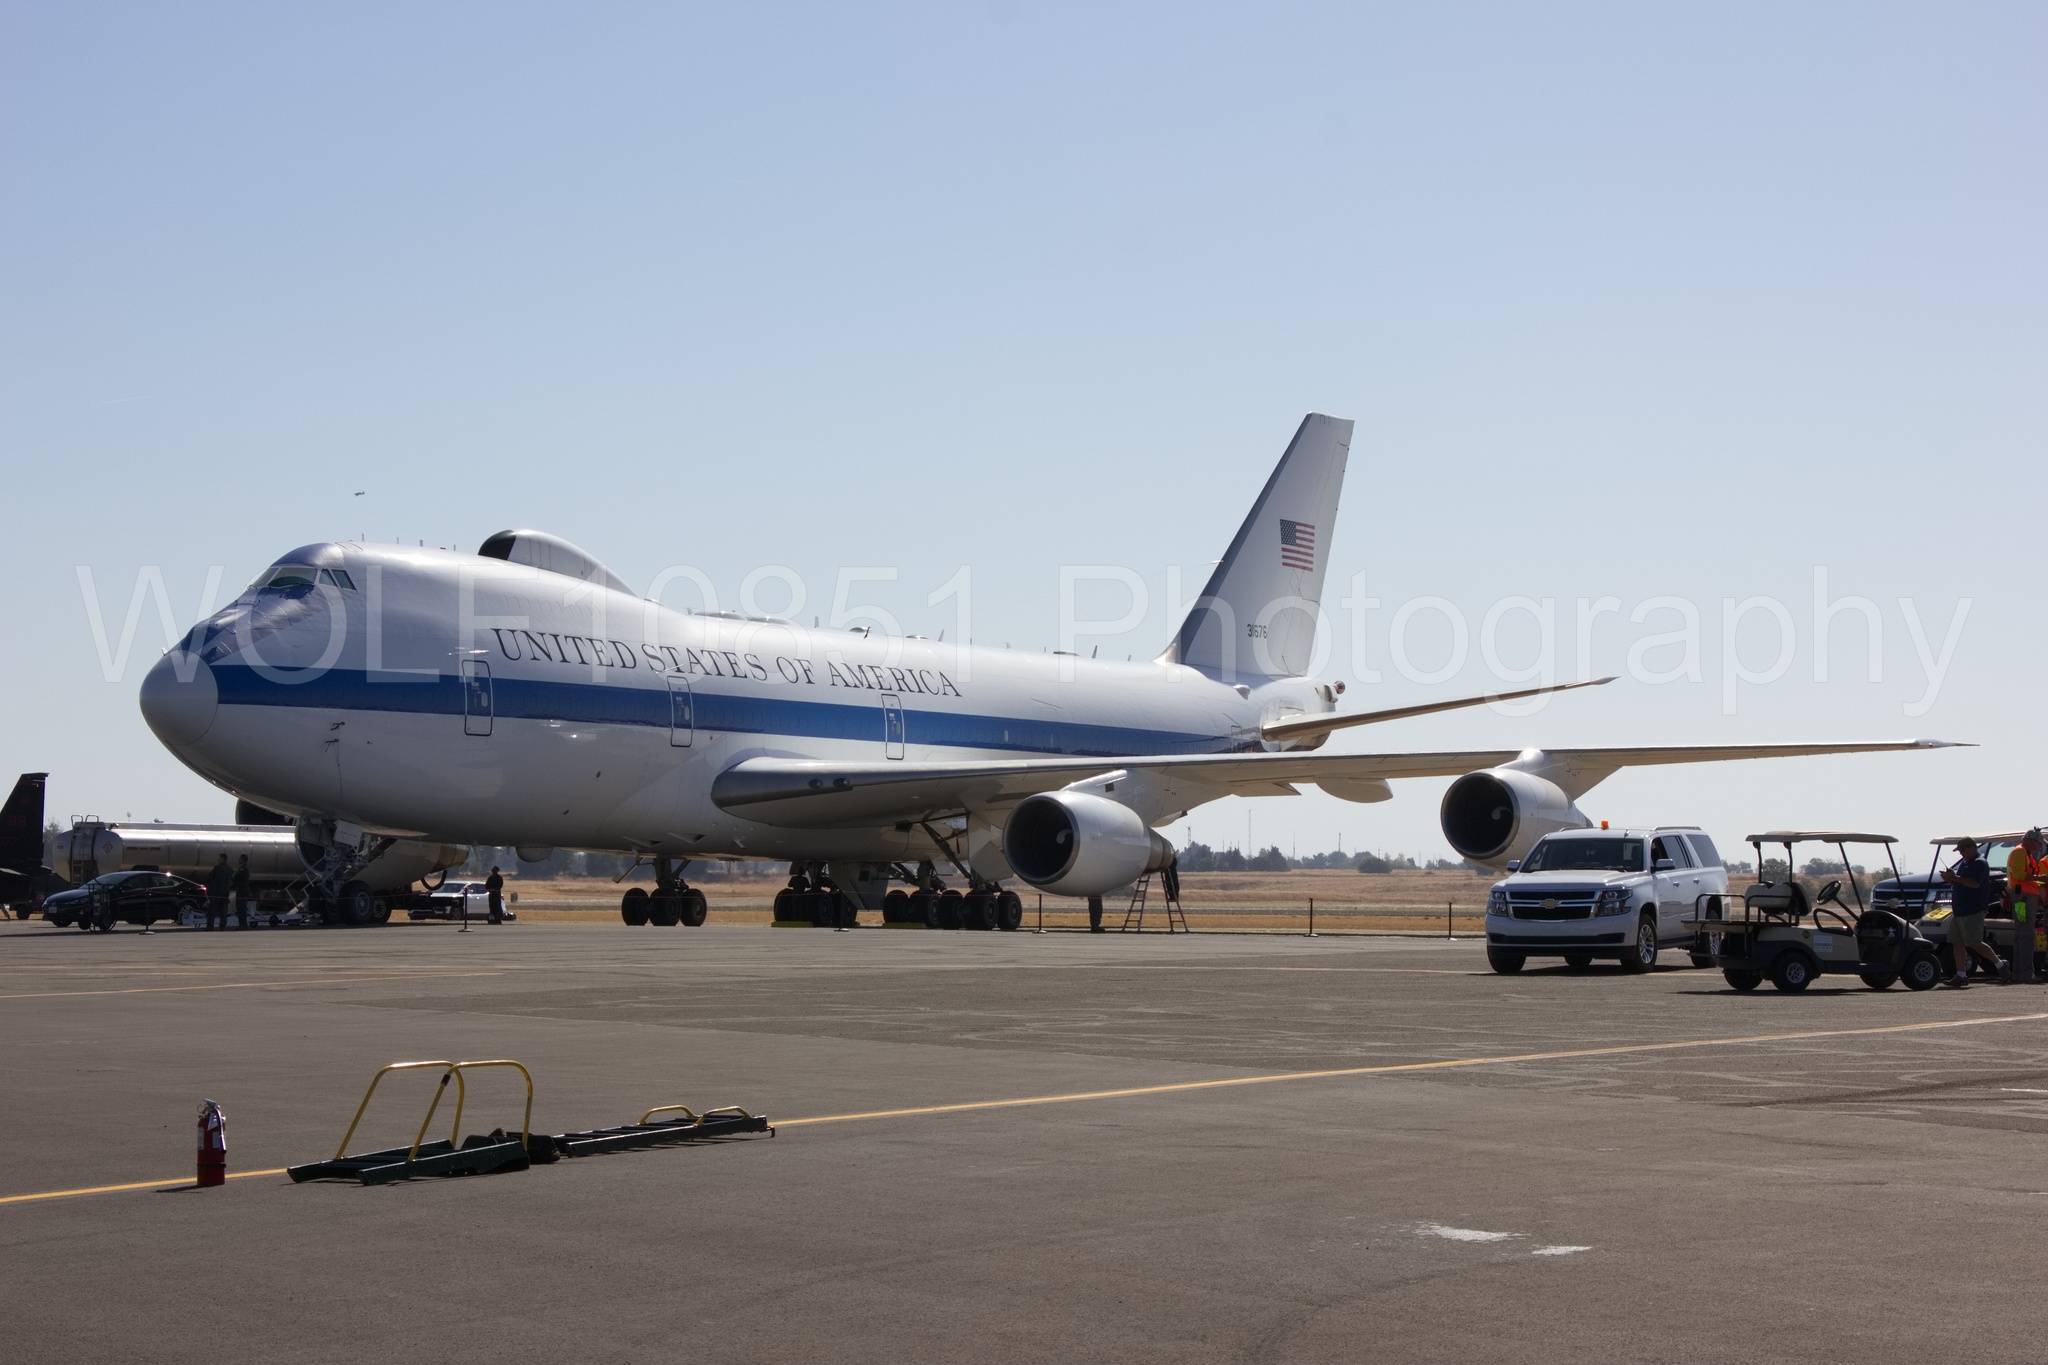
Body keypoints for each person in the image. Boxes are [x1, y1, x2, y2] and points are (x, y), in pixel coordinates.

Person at [1940, 838, 2001, 988]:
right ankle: (1961, 975)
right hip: (1959, 910)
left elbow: (1975, 883)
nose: (1961, 853)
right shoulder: (1965, 863)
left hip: (1973, 910)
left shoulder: (1979, 863)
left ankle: (2000, 965)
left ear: (1972, 847)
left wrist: (1955, 878)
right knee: (1957, 942)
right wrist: (1951, 878)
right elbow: (1961, 881)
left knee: (1975, 943)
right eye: (1960, 851)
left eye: (1963, 850)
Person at [2008, 829, 2047, 984]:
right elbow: (2019, 875)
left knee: (2021, 933)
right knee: (2026, 934)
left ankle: (2018, 972)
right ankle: (2025, 973)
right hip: (2023, 897)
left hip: (2021, 897)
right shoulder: (2020, 852)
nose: (2040, 847)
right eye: (2038, 843)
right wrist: (2040, 878)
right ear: (2031, 840)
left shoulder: (2024, 853)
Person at [204, 852, 232, 931]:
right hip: (226, 892)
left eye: (219, 858)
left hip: (217, 892)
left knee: (212, 909)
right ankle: (222, 926)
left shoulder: (217, 868)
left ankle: (210, 926)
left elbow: (210, 876)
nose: (218, 859)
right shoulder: (230, 869)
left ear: (223, 859)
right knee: (223, 910)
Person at [231, 855, 253, 931]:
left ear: (243, 860)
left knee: (241, 908)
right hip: (241, 890)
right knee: (241, 908)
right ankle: (242, 924)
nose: (238, 860)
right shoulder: (243, 868)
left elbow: (236, 877)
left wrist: (233, 877)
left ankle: (243, 925)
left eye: (240, 859)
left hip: (242, 891)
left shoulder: (243, 868)